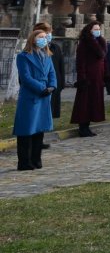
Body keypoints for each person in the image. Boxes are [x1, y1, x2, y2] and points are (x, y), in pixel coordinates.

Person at [15, 25, 56, 171]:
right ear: (33, 39)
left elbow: (52, 73)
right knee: (26, 130)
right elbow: (25, 77)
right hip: (31, 97)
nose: (44, 40)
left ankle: (36, 159)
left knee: (39, 130)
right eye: (41, 37)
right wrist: (41, 88)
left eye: (45, 37)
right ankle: (24, 162)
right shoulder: (23, 56)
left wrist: (52, 86)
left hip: (45, 96)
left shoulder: (47, 55)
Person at [70, 22, 107, 137]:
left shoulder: (100, 42)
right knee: (84, 103)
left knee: (93, 102)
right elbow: (80, 62)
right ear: (89, 30)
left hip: (97, 77)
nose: (98, 30)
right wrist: (82, 78)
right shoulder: (85, 43)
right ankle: (83, 127)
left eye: (99, 28)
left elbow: (103, 60)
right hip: (87, 78)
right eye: (95, 29)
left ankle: (88, 126)